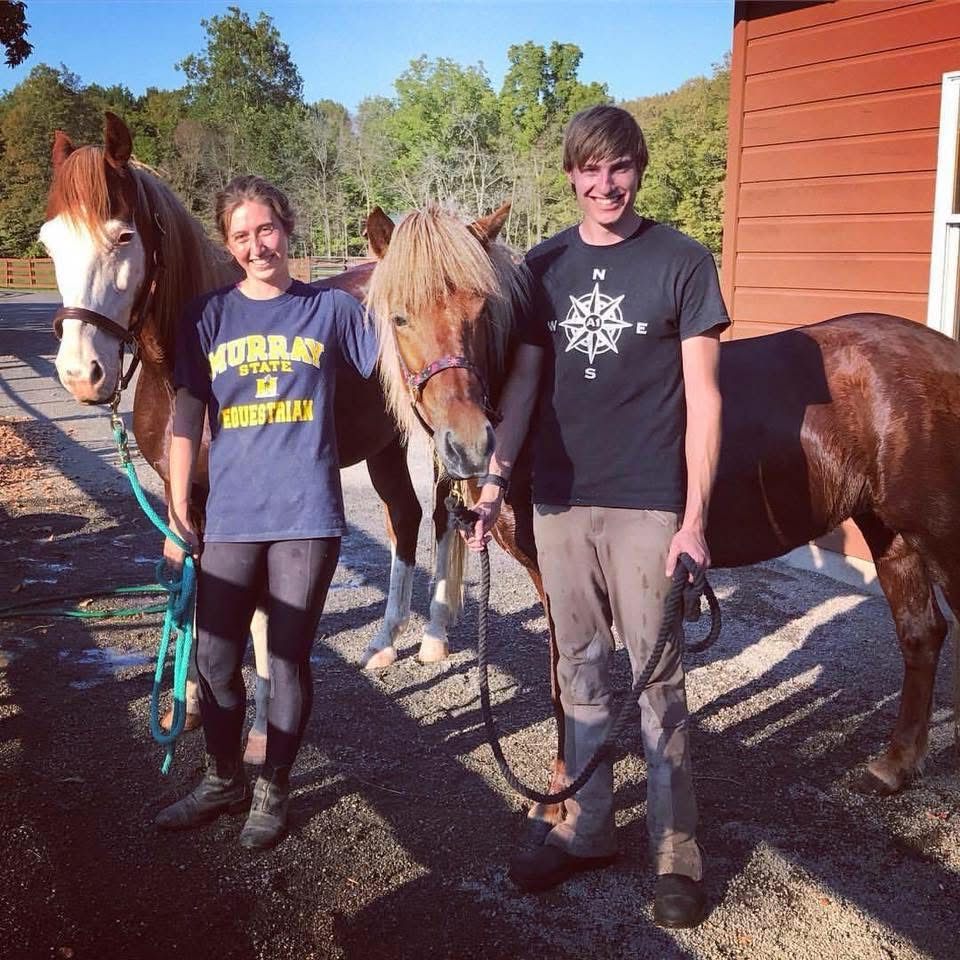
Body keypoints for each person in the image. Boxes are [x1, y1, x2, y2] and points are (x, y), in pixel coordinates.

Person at [466, 105, 728, 927]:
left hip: (648, 504)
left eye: (618, 168)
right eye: (589, 169)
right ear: (572, 176)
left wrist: (694, 520)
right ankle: (585, 829)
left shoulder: (684, 262)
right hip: (560, 504)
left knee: (656, 683)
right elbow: (522, 388)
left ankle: (675, 850)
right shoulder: (543, 267)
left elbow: (706, 399)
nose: (604, 184)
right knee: (576, 669)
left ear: (638, 169)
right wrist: (497, 479)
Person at [155, 175, 379, 849]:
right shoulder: (206, 317)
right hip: (230, 517)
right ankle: (223, 780)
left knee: (284, 662)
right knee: (217, 663)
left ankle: (274, 789)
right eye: (242, 236)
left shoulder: (332, 312)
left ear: (288, 228)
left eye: (267, 230)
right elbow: (186, 418)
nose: (258, 246)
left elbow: (400, 358)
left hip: (307, 517)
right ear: (229, 245)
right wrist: (177, 514)